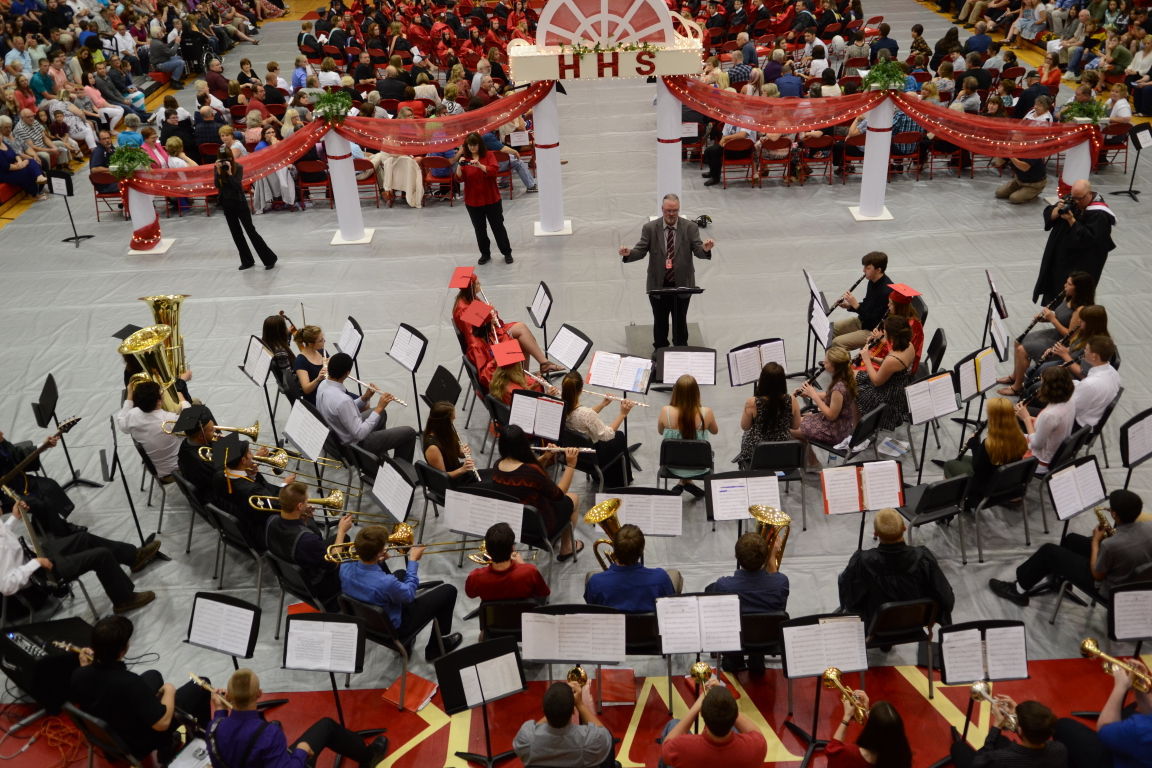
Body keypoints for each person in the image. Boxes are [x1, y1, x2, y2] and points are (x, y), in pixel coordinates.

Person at [71, 616, 211, 762]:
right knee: (201, 684)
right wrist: (169, 690)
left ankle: (168, 745)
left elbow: (93, 684)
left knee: (153, 675)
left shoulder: (78, 674)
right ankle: (202, 738)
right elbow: (161, 724)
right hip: (137, 742)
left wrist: (84, 667)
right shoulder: (129, 682)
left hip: (113, 732)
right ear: (122, 650)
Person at [990, 489, 1152, 607]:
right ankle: (1060, 579)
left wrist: (1096, 542)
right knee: (1071, 540)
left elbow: (1097, 575)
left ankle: (1018, 589)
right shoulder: (1149, 528)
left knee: (1048, 551)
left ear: (1115, 515)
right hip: (1129, 573)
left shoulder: (1111, 546)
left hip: (1108, 587)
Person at [0, 496, 158, 613]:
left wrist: (14, 518)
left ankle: (134, 557)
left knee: (84, 538)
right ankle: (123, 600)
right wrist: (35, 564)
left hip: (36, 555)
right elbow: (6, 585)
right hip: (39, 575)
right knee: (101, 555)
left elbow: (4, 536)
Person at [206, 668, 389, 768]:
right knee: (327, 727)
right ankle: (369, 757)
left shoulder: (214, 728)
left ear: (229, 696)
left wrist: (220, 709)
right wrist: (301, 751)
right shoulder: (270, 733)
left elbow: (219, 726)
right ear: (259, 694)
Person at [339, 525, 462, 660]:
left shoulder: (344, 567)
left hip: (367, 622)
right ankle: (436, 647)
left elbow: (369, 576)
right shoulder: (386, 583)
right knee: (449, 591)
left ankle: (409, 645)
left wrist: (378, 560)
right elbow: (409, 595)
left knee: (401, 574)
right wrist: (413, 561)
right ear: (379, 553)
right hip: (396, 627)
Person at [619, 193, 715, 350]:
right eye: (668, 211)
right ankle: (660, 350)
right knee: (660, 321)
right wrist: (629, 253)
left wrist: (705, 249)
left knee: (680, 321)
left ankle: (681, 348)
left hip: (682, 285)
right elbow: (641, 250)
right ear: (662, 209)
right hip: (658, 286)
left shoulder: (690, 227)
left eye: (675, 210)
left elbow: (698, 249)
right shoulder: (650, 228)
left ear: (678, 209)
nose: (671, 214)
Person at [838, 508, 955, 626]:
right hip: (915, 623)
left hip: (877, 625)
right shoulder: (923, 558)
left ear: (876, 533)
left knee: (843, 579)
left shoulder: (862, 562)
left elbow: (850, 600)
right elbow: (946, 599)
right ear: (904, 528)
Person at [493, 426, 583, 558]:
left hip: (514, 524)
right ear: (523, 444)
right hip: (540, 527)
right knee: (573, 498)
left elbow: (525, 472)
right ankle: (566, 547)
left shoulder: (497, 465)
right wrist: (571, 465)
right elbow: (559, 495)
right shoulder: (532, 472)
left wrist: (545, 457)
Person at [999, 271, 1094, 396]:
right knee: (1018, 341)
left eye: (1069, 284)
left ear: (1079, 289)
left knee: (1023, 350)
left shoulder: (1081, 309)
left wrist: (1052, 319)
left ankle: (1017, 387)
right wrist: (1044, 318)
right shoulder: (1068, 296)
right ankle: (1014, 376)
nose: (1065, 285)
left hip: (1063, 343)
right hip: (1055, 333)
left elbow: (1070, 335)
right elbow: (1060, 317)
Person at [706, 532, 788, 673]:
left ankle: (734, 659)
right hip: (767, 637)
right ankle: (757, 656)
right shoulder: (781, 582)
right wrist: (772, 556)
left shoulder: (723, 585)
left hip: (736, 638)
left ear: (736, 557)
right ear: (765, 557)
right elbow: (776, 585)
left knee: (709, 590)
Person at [316, 351, 417, 464]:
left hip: (339, 433)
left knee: (381, 414)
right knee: (409, 432)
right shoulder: (343, 400)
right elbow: (360, 433)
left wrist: (364, 398)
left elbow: (343, 410)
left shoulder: (323, 384)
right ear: (347, 373)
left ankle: (382, 457)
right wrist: (379, 407)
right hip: (355, 447)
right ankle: (398, 471)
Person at [264, 481, 350, 609]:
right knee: (345, 541)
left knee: (343, 539)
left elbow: (313, 541)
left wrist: (304, 520)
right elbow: (333, 563)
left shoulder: (271, 520)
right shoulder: (307, 540)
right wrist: (341, 531)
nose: (308, 503)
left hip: (292, 575)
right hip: (318, 585)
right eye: (306, 501)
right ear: (299, 506)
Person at [1054, 656, 1152, 768]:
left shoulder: (1141, 729)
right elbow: (1149, 713)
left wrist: (1120, 687)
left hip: (1117, 761)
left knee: (1063, 726)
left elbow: (1105, 730)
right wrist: (1140, 686)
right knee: (1127, 715)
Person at [1033, 180, 1116, 304]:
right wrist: (1057, 209)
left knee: (1075, 296)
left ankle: (1070, 320)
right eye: (1074, 197)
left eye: (1079, 199)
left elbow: (1088, 240)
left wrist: (1071, 219)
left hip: (1081, 264)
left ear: (1089, 194)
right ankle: (1055, 315)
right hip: (1060, 258)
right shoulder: (1072, 199)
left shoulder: (1099, 214)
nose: (1076, 201)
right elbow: (1049, 214)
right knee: (1054, 288)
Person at [944, 398, 1030, 508]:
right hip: (1003, 479)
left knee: (950, 464)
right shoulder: (1020, 437)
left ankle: (952, 504)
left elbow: (977, 467)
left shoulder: (990, 445)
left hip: (986, 488)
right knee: (963, 459)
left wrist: (974, 445)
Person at [561, 370, 637, 489]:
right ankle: (620, 481)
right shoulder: (586, 414)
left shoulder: (562, 406)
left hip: (576, 454)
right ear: (581, 390)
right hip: (593, 457)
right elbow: (607, 435)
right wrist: (623, 414)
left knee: (617, 436)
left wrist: (602, 404)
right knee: (619, 436)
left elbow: (583, 417)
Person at [513, 680, 615, 768]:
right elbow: (604, 734)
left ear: (544, 710)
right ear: (573, 711)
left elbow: (535, 728)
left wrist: (553, 708)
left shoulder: (527, 739)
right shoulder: (589, 742)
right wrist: (580, 704)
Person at [659, 683, 766, 768]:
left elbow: (666, 747)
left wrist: (695, 707)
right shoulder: (755, 747)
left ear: (702, 714)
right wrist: (726, 701)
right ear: (734, 715)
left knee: (674, 724)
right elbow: (755, 732)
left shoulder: (681, 747)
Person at [585, 524, 679, 610]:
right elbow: (669, 601)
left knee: (590, 576)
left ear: (614, 551)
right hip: (649, 626)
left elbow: (592, 606)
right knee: (674, 574)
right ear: (641, 551)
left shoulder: (596, 582)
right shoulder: (661, 577)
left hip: (614, 626)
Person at [950, 699, 1067, 768]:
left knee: (958, 748)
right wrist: (1020, 717)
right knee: (1001, 740)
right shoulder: (1059, 749)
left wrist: (996, 727)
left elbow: (978, 762)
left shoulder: (1000, 758)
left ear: (1020, 729)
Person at [213, 146, 278, 270]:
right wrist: (218, 171)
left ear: (231, 157)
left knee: (250, 231)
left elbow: (237, 186)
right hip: (227, 204)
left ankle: (269, 259)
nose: (224, 162)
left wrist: (230, 173)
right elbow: (217, 185)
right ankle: (247, 260)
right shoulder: (217, 168)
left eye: (226, 158)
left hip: (240, 203)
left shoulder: (238, 167)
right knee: (236, 234)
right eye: (221, 159)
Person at [456, 131, 513, 265]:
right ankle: (485, 254)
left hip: (491, 199)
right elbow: (459, 178)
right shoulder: (465, 159)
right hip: (473, 202)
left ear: (479, 145)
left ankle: (507, 252)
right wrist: (459, 164)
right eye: (469, 145)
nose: (472, 148)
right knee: (479, 229)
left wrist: (480, 166)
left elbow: (494, 171)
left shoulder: (489, 155)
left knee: (498, 227)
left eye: (474, 145)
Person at [658, 374, 719, 498]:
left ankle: (682, 482)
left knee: (681, 453)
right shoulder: (706, 412)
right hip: (700, 466)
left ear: (675, 392)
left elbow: (660, 431)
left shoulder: (666, 411)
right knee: (691, 454)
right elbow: (715, 431)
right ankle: (686, 482)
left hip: (672, 466)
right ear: (696, 392)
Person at [115, 380, 189, 479]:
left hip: (156, 468)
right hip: (178, 468)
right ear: (158, 401)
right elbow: (190, 419)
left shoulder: (132, 414)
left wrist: (129, 395)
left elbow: (122, 423)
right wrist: (180, 395)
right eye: (161, 393)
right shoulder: (169, 420)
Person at [854, 316, 916, 432]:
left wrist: (866, 360)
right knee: (853, 374)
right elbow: (892, 365)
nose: (883, 332)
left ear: (891, 335)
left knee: (852, 388)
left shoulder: (893, 359)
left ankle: (858, 430)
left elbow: (876, 382)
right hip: (897, 385)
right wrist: (872, 358)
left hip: (887, 396)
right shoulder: (909, 345)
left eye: (885, 330)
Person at [793, 348, 859, 453]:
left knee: (789, 428)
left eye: (826, 362)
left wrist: (814, 395)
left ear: (834, 367)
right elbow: (830, 396)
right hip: (841, 424)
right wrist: (808, 394)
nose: (823, 363)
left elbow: (831, 415)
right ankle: (812, 460)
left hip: (833, 431)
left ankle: (809, 460)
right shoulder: (846, 376)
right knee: (795, 421)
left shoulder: (838, 388)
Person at [464, 521, 550, 602]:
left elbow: (470, 594)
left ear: (487, 551)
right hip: (521, 614)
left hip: (493, 615)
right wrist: (523, 565)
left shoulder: (475, 577)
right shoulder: (530, 571)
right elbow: (544, 593)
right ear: (512, 548)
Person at [736, 362, 800, 469]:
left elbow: (745, 426)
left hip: (758, 452)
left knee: (745, 436)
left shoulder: (752, 403)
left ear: (763, 381)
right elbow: (795, 426)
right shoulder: (792, 400)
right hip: (783, 450)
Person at [1015, 365, 1077, 473]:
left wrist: (1026, 419)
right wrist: (1031, 418)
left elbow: (1036, 444)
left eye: (1042, 384)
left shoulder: (1049, 415)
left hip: (1039, 461)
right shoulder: (1070, 401)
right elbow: (1054, 426)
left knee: (999, 442)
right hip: (1054, 451)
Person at [827, 695, 913, 768]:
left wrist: (846, 716)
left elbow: (832, 750)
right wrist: (867, 711)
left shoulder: (852, 754)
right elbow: (883, 731)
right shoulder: (903, 755)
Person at [830, 252, 894, 351]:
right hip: (863, 321)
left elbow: (873, 321)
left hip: (873, 330)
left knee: (837, 342)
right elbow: (868, 306)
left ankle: (842, 365)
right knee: (830, 329)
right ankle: (831, 362)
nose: (863, 270)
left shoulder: (886, 291)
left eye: (868, 268)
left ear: (878, 270)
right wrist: (849, 306)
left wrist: (856, 305)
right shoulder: (872, 281)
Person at [423, 401, 479, 487]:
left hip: (457, 471)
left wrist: (462, 452)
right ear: (443, 422)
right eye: (452, 419)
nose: (455, 419)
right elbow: (442, 478)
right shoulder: (432, 448)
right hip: (451, 485)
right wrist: (462, 469)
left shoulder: (445, 432)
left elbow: (457, 454)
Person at [1070, 335, 1121, 428]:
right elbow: (1085, 389)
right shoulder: (1114, 373)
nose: (1084, 351)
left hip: (1076, 423)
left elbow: (1070, 408)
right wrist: (1067, 382)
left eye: (1086, 349)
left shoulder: (1091, 384)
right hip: (1092, 413)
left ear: (1094, 356)